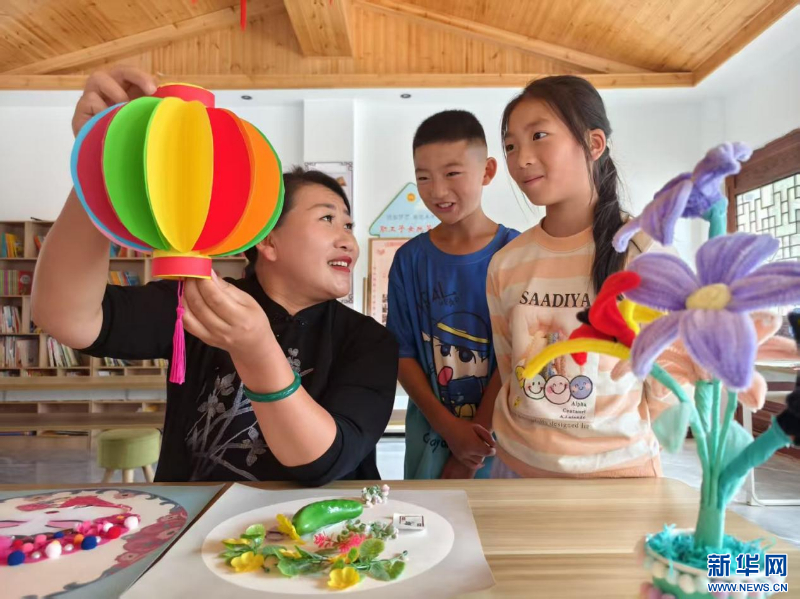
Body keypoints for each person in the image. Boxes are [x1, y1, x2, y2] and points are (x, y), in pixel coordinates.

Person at [31, 66, 398, 485]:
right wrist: (103, 162)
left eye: (349, 225)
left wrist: (257, 350)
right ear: (268, 240)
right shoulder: (198, 303)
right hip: (198, 522)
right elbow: (65, 317)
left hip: (322, 527)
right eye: (328, 219)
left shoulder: (368, 340)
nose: (348, 239)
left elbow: (324, 463)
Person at [486, 75, 671, 478]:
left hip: (618, 477)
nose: (521, 159)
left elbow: (667, 383)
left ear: (594, 144)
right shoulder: (506, 262)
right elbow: (511, 368)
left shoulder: (643, 252)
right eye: (511, 145)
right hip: (516, 470)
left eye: (538, 136)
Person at [386, 110, 519, 480]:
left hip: (506, 452)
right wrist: (450, 430)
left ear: (487, 171)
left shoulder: (518, 254)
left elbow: (517, 354)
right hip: (430, 446)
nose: (438, 191)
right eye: (423, 177)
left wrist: (469, 449)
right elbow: (402, 354)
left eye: (452, 173)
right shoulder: (409, 260)